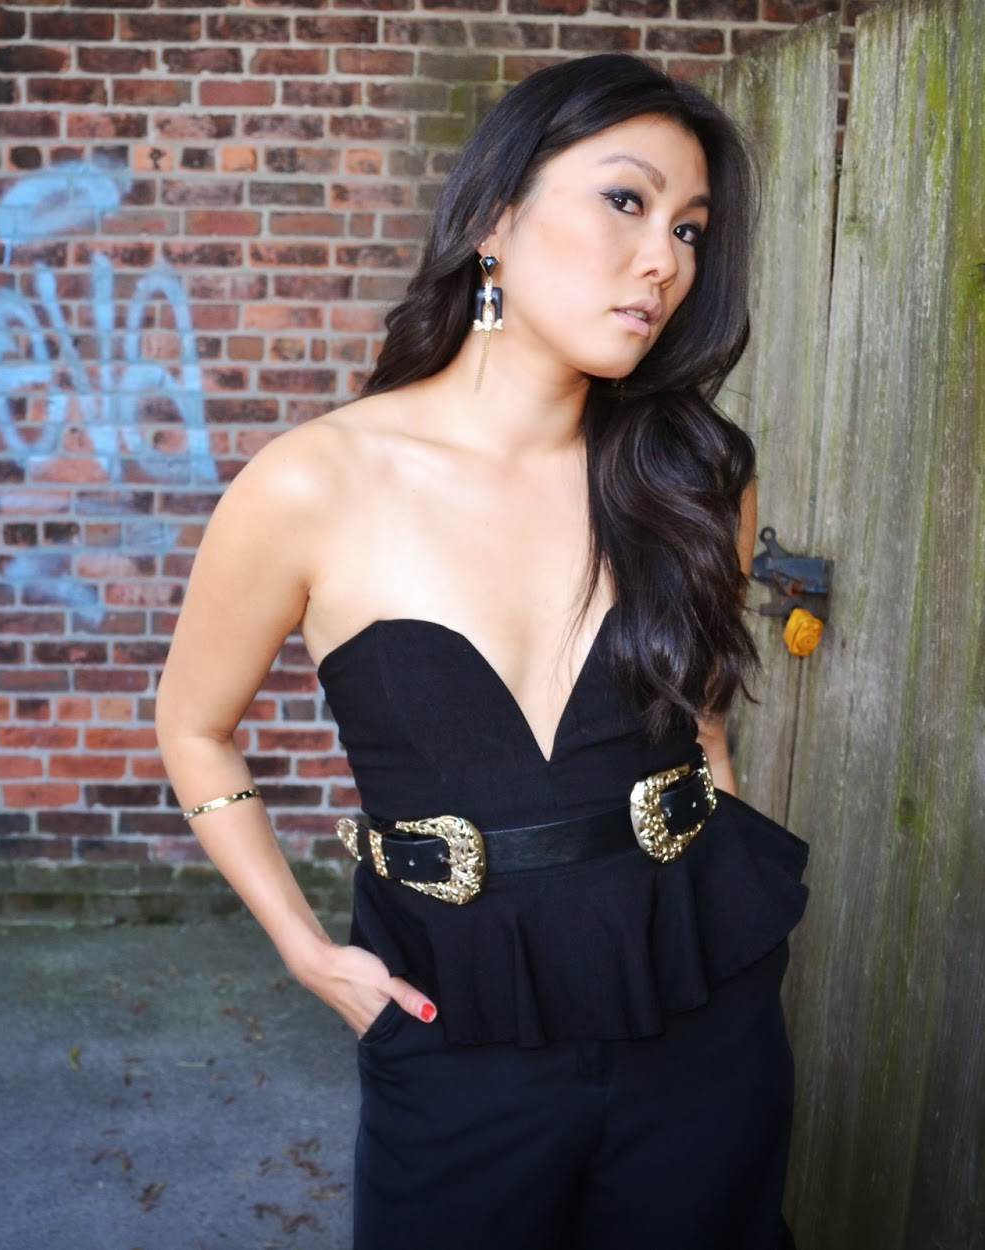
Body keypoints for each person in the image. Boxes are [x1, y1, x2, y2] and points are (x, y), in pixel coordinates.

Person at [153, 53, 810, 1250]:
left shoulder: (698, 472)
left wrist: (728, 904)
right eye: (625, 200)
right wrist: (305, 948)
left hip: (699, 1011)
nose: (663, 260)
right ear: (494, 218)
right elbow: (194, 724)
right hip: (451, 1022)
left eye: (689, 228)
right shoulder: (313, 482)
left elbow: (705, 719)